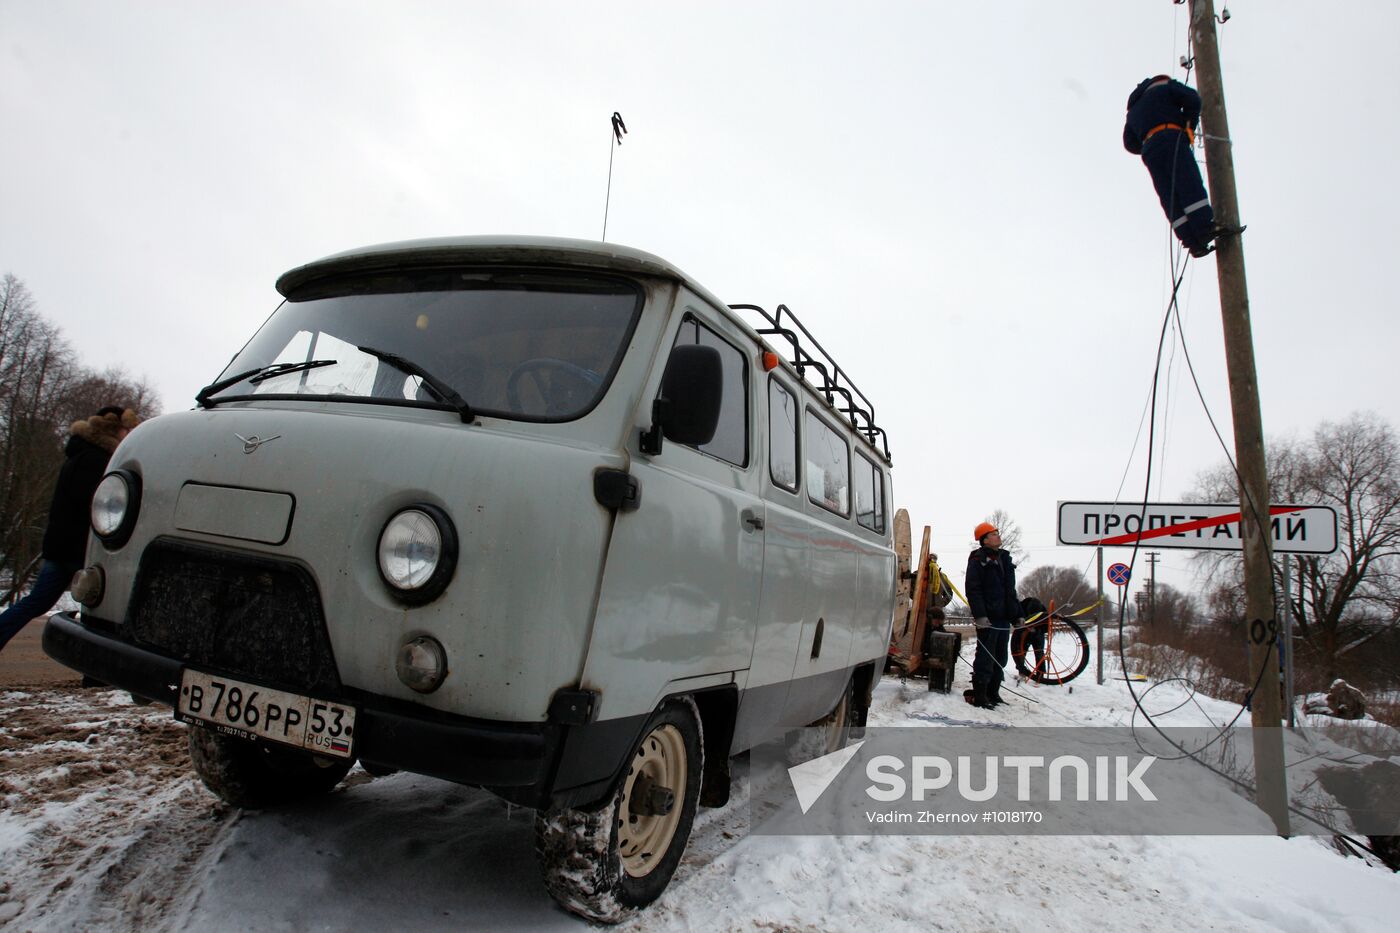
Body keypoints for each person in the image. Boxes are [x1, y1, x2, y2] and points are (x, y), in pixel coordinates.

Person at [0, 406, 139, 653]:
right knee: (106, 608)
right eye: (124, 430)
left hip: (60, 547)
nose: (127, 435)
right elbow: (95, 506)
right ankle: (99, 663)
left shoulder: (80, 454)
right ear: (112, 429)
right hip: (78, 550)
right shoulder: (95, 460)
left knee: (36, 602)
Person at [1123, 75, 1222, 258]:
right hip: (1171, 137)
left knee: (1169, 195)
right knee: (1188, 183)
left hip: (1150, 151)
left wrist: (1148, 142)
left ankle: (1192, 242)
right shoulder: (1165, 86)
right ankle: (1204, 228)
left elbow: (1129, 142)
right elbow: (1193, 99)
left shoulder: (1133, 110)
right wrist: (1189, 125)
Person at [964, 521, 1020, 709]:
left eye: (997, 533)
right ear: (985, 540)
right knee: (985, 659)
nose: (998, 536)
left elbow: (1010, 592)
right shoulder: (977, 560)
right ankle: (980, 695)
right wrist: (980, 616)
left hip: (1003, 618)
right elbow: (973, 590)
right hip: (988, 619)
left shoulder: (1005, 559)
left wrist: (1017, 615)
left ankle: (993, 693)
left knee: (1000, 658)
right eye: (994, 534)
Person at [1013, 596, 1049, 679]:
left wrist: (1037, 629)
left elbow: (1046, 626)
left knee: (1039, 652)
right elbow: (1015, 621)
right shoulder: (1021, 607)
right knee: (1021, 651)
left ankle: (1040, 675)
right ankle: (1022, 671)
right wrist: (1025, 628)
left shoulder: (1043, 611)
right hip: (1024, 632)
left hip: (1038, 633)